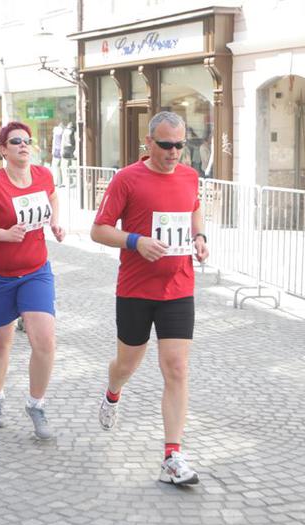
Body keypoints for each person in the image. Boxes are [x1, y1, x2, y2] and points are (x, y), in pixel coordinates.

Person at [90, 111, 210, 486]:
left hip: (178, 287)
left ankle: (172, 456)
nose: (174, 152)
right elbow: (98, 230)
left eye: (180, 145)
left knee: (176, 368)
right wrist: (135, 241)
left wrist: (200, 237)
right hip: (135, 290)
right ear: (148, 142)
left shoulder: (189, 176)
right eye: (166, 145)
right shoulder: (127, 179)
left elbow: (194, 208)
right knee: (127, 364)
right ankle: (113, 392)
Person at [0, 121, 65, 440]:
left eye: (27, 140)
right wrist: (4, 235)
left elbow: (53, 197)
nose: (23, 145)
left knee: (44, 340)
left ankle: (36, 404)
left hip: (35, 271)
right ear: (3, 149)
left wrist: (55, 222)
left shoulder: (43, 175)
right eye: (15, 141)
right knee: (0, 342)